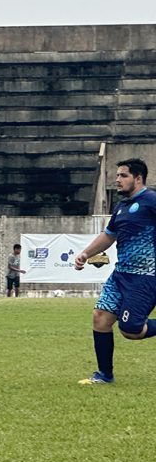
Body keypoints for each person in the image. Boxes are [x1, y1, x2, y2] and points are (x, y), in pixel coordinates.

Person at [75, 158, 156, 385]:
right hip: (120, 276)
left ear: (138, 178)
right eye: (117, 176)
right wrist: (85, 253)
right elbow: (109, 235)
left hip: (145, 277)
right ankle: (104, 375)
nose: (117, 180)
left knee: (130, 330)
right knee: (100, 318)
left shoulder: (151, 200)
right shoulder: (121, 207)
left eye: (123, 176)